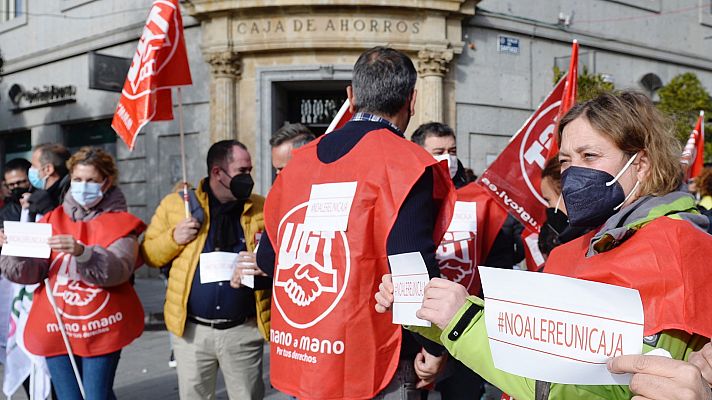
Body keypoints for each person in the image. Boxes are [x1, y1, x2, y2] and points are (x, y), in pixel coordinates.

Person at [375, 90, 712, 399]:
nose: (573, 173)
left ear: (640, 164)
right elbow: (533, 338)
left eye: (590, 155)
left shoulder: (672, 248)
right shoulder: (591, 241)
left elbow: (582, 387)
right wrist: (426, 310)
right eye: (565, 160)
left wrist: (461, 322)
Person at [255, 46, 455, 399]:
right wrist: (435, 347)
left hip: (307, 352)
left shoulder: (299, 163)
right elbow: (412, 268)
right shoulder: (406, 164)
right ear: (412, 99)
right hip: (378, 360)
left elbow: (268, 260)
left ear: (351, 95)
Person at [0, 146, 146, 400]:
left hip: (101, 326)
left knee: (96, 396)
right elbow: (29, 273)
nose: (83, 186)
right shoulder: (51, 218)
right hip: (55, 323)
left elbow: (119, 270)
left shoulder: (122, 222)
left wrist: (83, 253)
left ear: (106, 182)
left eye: (91, 180)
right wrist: (12, 251)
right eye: (78, 179)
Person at [140, 140, 270, 400]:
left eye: (250, 170)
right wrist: (174, 238)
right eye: (242, 171)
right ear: (217, 173)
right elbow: (149, 255)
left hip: (242, 332)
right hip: (192, 334)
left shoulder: (261, 208)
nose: (248, 178)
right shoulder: (177, 205)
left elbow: (276, 262)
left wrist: (262, 268)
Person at [411, 122, 511, 399]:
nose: (448, 157)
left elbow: (498, 252)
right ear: (419, 153)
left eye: (452, 150)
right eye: (439, 150)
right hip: (418, 325)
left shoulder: (479, 198)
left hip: (468, 316)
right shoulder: (409, 198)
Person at [25, 143, 71, 221]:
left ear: (48, 169)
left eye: (34, 166)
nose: (30, 169)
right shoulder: (44, 194)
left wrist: (47, 210)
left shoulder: (68, 194)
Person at [0, 158, 32, 228]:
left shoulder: (46, 203)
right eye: (11, 184)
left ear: (31, 178)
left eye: (20, 182)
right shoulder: (5, 214)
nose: (16, 187)